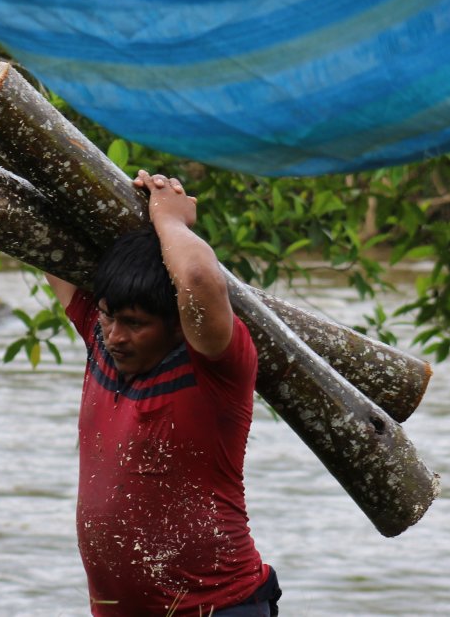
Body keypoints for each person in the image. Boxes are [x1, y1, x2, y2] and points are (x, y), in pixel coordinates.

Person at [45, 170, 281, 616]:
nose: (115, 335)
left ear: (178, 324)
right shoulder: (100, 339)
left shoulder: (213, 368)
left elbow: (198, 277)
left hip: (218, 608)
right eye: (109, 316)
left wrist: (169, 219)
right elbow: (42, 234)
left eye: (135, 324)